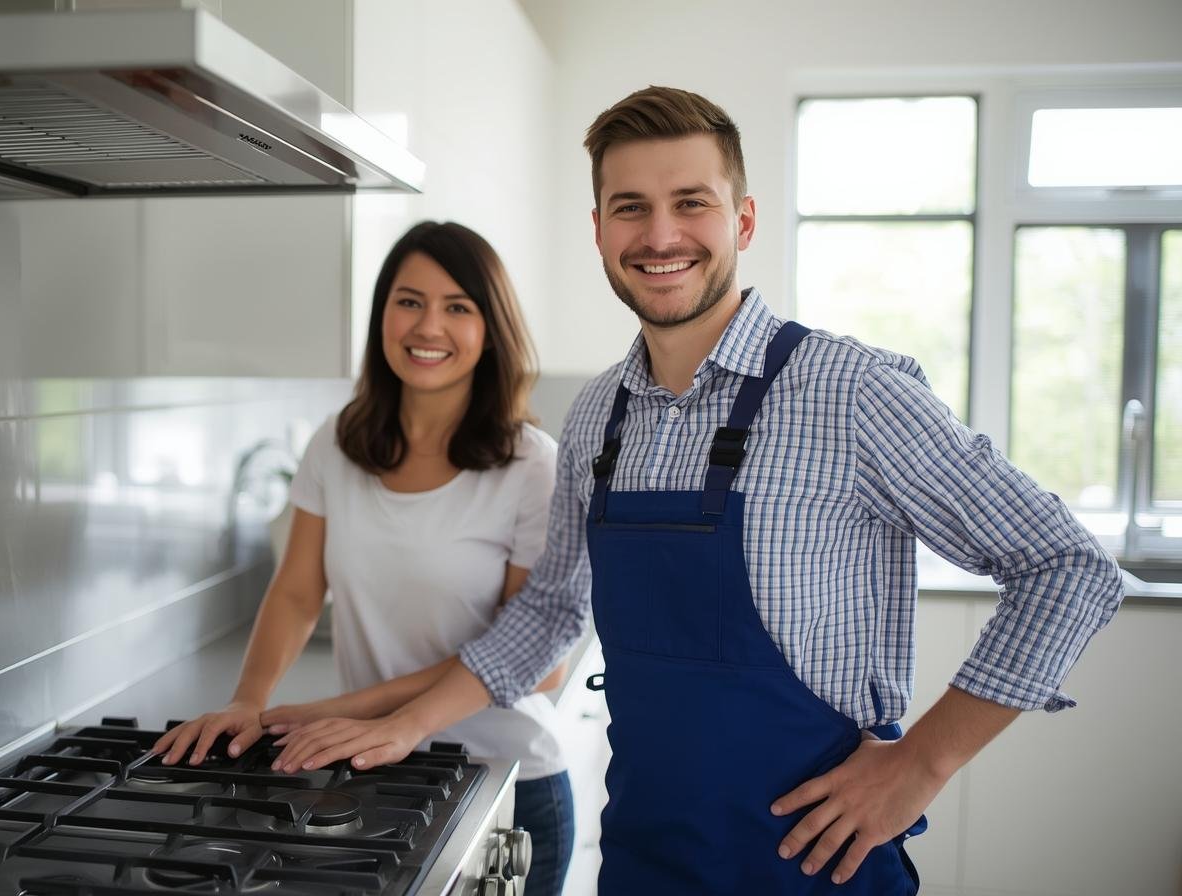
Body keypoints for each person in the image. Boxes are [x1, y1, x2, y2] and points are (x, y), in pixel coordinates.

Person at [269, 86, 1126, 894]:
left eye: (692, 202)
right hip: (645, 854)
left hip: (816, 863)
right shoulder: (600, 413)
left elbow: (1066, 566)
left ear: (742, 220)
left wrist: (921, 765)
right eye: (631, 207)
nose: (661, 234)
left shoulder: (849, 392)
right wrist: (407, 723)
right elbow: (549, 613)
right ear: (599, 229)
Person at [152, 221, 576, 896]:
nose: (427, 325)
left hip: (505, 781)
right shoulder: (338, 443)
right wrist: (249, 699)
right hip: (374, 774)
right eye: (409, 300)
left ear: (491, 329)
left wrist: (350, 708)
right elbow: (296, 591)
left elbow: (539, 662)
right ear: (382, 314)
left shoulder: (533, 468)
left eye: (457, 307)